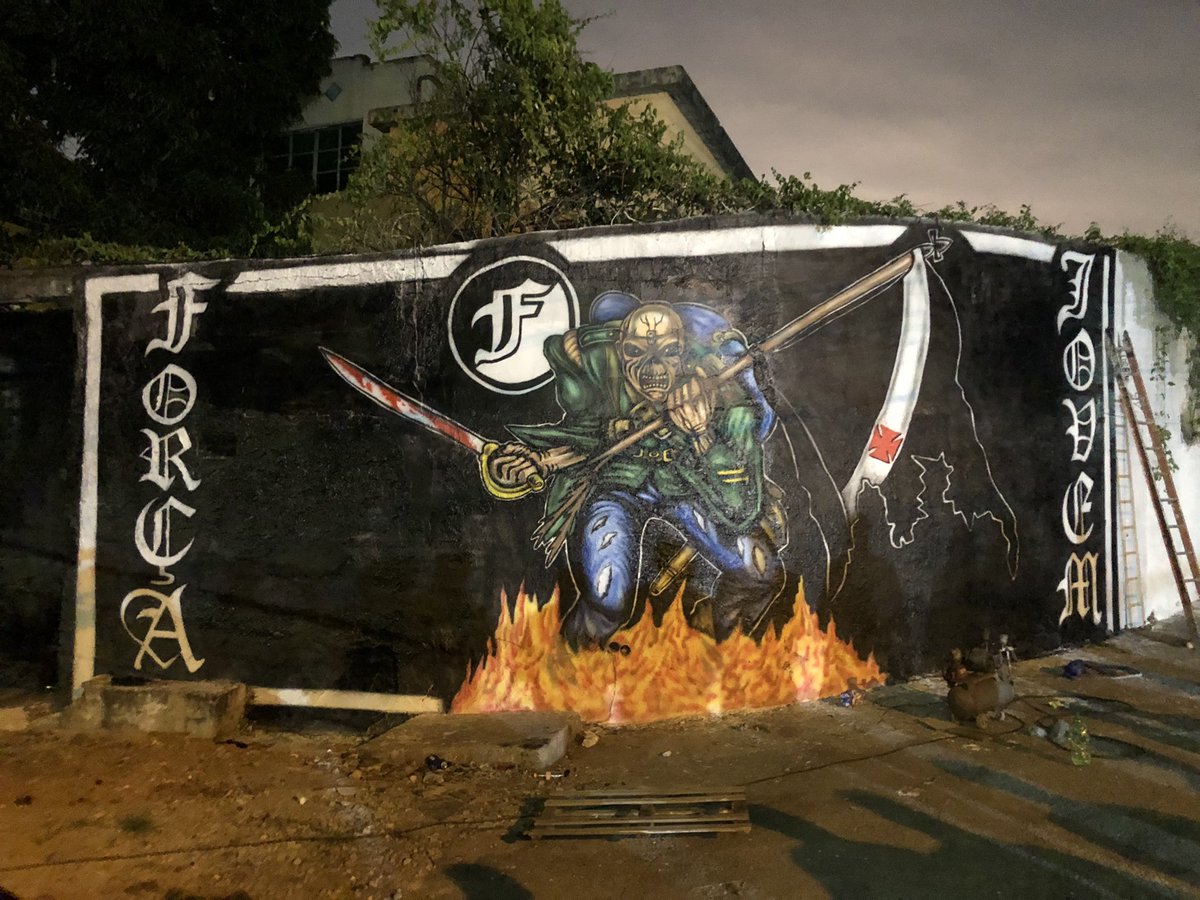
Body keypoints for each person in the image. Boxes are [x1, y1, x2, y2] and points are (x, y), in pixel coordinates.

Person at [482, 293, 786, 645]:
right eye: (636, 352)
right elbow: (584, 442)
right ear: (620, 352)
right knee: (607, 592)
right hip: (619, 487)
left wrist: (702, 435)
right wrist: (534, 462)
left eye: (668, 352)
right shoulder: (603, 378)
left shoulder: (728, 403)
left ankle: (715, 642)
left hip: (688, 486)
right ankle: (578, 653)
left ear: (683, 354)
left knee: (757, 570)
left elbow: (740, 508)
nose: (652, 368)